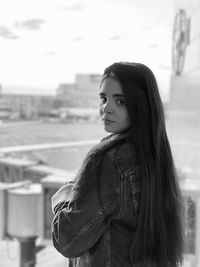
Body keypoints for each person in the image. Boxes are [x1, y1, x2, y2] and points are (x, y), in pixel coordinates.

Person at [51, 62, 184, 267]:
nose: (106, 108)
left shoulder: (108, 160)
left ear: (141, 105)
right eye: (103, 99)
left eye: (120, 101)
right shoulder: (155, 156)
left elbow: (67, 240)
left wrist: (66, 193)